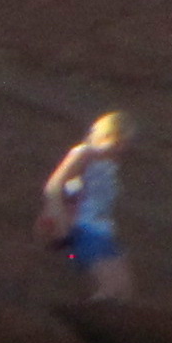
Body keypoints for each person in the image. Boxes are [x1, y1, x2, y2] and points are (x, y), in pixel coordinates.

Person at [39, 112, 136, 301]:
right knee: (109, 288)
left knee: (123, 289)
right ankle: (91, 312)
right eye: (119, 141)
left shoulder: (109, 166)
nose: (122, 148)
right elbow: (55, 185)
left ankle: (103, 313)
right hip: (84, 228)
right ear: (107, 135)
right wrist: (58, 216)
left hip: (103, 230)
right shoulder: (84, 153)